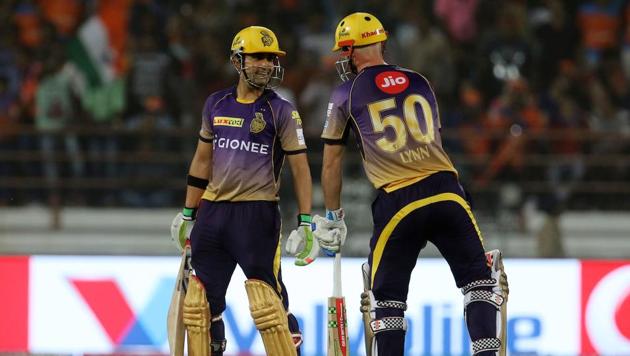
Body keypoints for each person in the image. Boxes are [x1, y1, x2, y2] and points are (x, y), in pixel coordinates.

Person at [312, 12, 509, 356]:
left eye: (344, 51)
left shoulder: (346, 92)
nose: (342, 59)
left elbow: (331, 162)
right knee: (479, 282)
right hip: (448, 192)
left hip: (398, 199)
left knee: (387, 300)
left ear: (353, 49)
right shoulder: (419, 81)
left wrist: (332, 215)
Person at [170, 25, 318, 356]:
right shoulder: (216, 104)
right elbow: (201, 161)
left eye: (271, 58)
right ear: (238, 61)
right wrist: (188, 213)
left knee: (270, 307)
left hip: (257, 216)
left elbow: (300, 168)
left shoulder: (281, 110)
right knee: (199, 309)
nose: (266, 64)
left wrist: (306, 221)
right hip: (212, 213)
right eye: (258, 57)